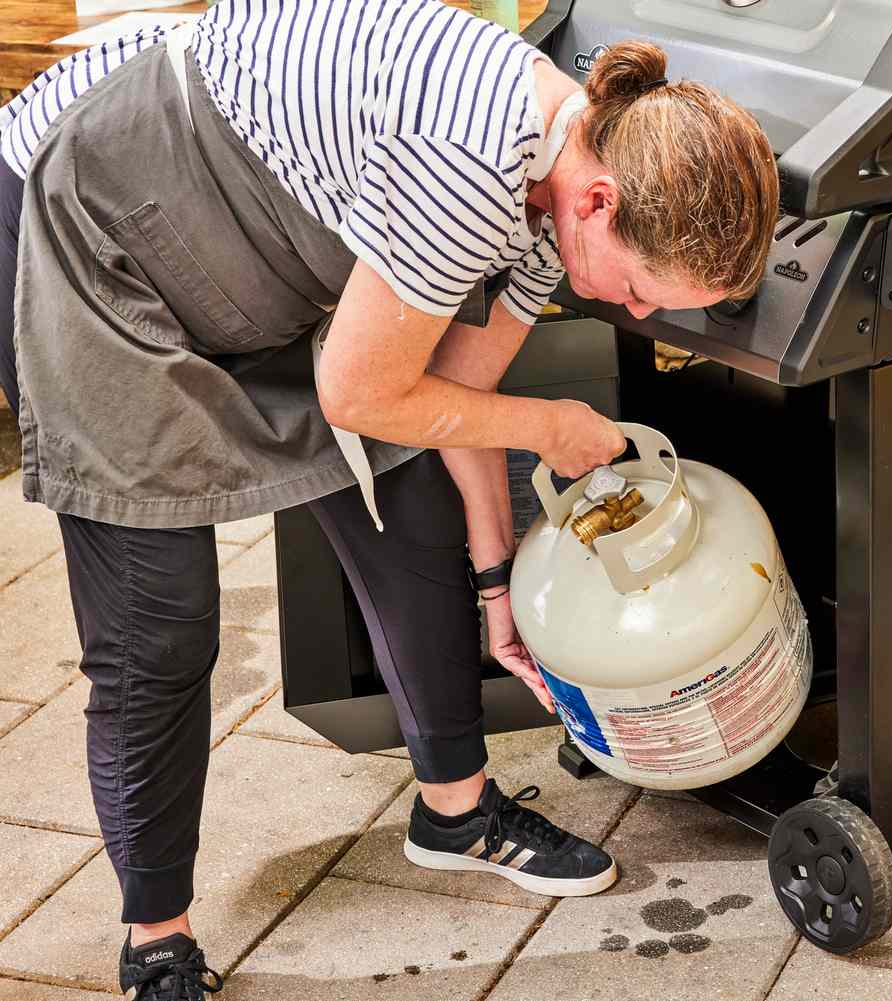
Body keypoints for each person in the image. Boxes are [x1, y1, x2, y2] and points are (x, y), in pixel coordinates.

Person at [0, 1, 779, 996]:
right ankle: (157, 935)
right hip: (82, 217)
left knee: (407, 498)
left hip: (240, 239)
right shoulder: (471, 159)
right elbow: (363, 390)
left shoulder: (566, 174)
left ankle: (456, 811)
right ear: (601, 203)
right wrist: (554, 428)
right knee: (160, 621)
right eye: (639, 287)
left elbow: (462, 398)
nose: (633, 311)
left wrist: (497, 587)